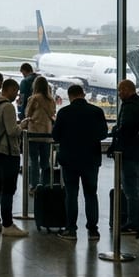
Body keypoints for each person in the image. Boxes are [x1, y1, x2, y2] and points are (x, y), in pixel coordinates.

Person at [51, 85, 109, 241]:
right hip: (91, 159)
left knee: (71, 194)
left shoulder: (64, 113)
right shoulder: (96, 112)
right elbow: (103, 134)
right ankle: (93, 230)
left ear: (69, 96)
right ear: (83, 95)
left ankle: (71, 229)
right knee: (91, 194)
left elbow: (55, 136)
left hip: (69, 159)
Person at [0, 79, 27, 237]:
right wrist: (22, 125)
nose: (16, 95)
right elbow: (12, 131)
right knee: (8, 189)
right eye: (15, 92)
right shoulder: (8, 106)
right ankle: (8, 224)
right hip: (7, 152)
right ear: (9, 90)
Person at [109, 79, 139, 235]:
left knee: (130, 189)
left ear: (127, 89)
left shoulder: (130, 107)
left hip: (128, 153)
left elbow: (125, 129)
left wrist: (116, 133)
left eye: (120, 90)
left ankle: (133, 222)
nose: (119, 93)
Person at [22, 76, 57, 190]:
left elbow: (27, 113)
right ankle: (45, 184)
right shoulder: (51, 100)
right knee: (45, 162)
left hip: (34, 133)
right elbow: (53, 113)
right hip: (47, 134)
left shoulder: (34, 98)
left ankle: (35, 185)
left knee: (34, 161)